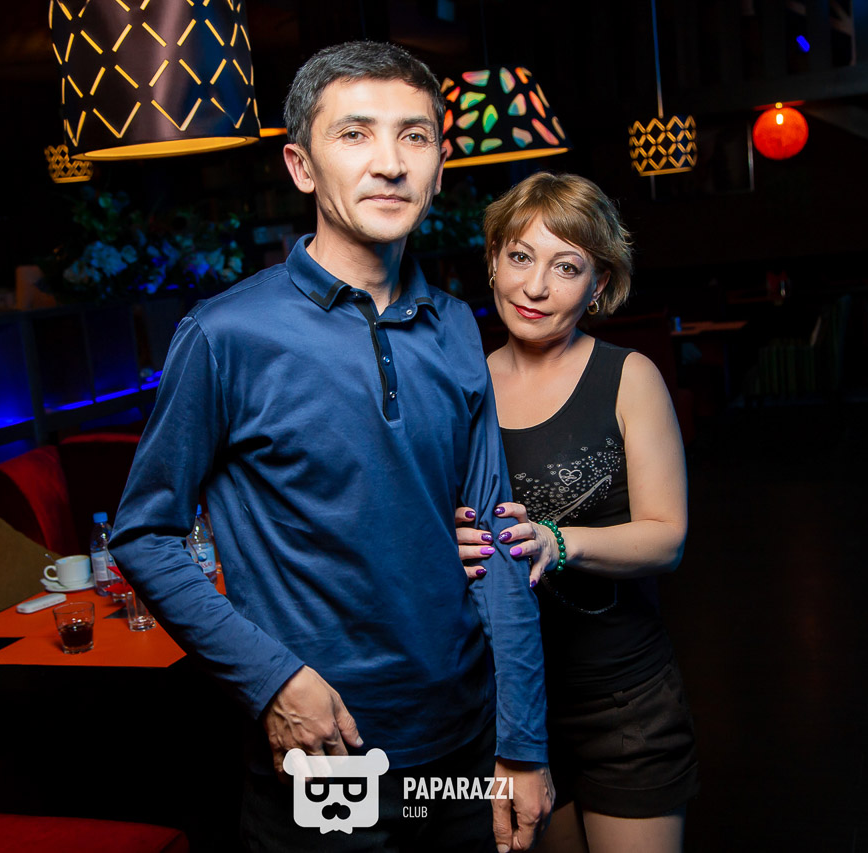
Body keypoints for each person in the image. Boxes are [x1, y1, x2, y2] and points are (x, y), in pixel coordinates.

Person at [110, 41, 552, 852]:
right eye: (355, 134)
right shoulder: (225, 334)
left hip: (462, 743)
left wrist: (523, 741)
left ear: (439, 165)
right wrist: (272, 680)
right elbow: (144, 534)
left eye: (414, 135)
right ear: (301, 166)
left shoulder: (457, 326)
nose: (390, 162)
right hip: (326, 749)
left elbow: (498, 536)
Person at [455, 172, 699, 852]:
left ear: (597, 285)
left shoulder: (629, 376)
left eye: (565, 267)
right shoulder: (462, 388)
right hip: (510, 710)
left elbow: (667, 537)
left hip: (623, 701)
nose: (534, 287)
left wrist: (557, 542)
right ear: (494, 261)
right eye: (519, 256)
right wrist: (448, 544)